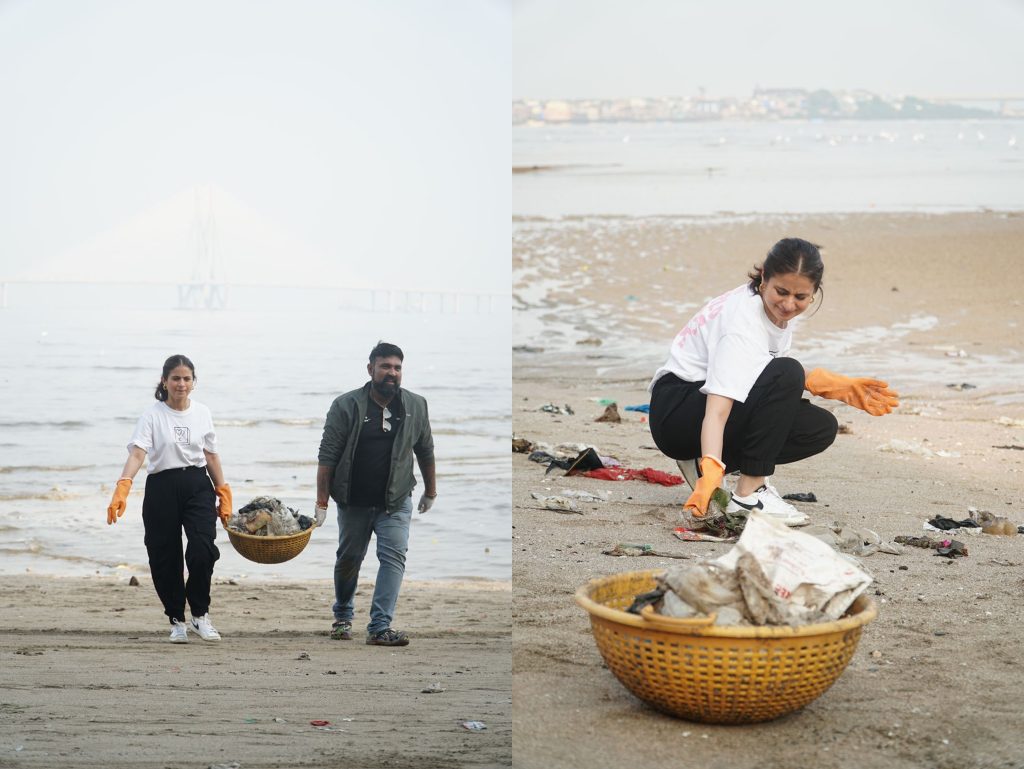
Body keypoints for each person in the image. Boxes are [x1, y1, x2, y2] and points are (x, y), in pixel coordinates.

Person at [648, 238, 899, 526]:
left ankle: (703, 463)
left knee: (818, 427)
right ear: (764, 277)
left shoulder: (774, 312)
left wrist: (828, 384)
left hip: (698, 409)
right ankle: (748, 495)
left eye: (800, 297)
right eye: (781, 292)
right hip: (677, 411)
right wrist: (712, 470)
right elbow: (718, 409)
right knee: (788, 372)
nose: (789, 304)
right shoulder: (742, 323)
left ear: (814, 293)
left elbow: (760, 375)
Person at [316, 341, 436, 647]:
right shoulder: (346, 405)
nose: (391, 373)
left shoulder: (416, 405)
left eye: (397, 368)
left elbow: (425, 449)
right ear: (371, 369)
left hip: (395, 501)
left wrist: (430, 491)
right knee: (348, 560)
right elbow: (327, 456)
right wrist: (322, 502)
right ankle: (343, 615)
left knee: (394, 557)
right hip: (353, 500)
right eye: (385, 367)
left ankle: (380, 627)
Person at [106, 354, 233, 643]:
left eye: (186, 378)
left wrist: (223, 491)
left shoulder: (202, 412)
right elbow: (138, 453)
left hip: (197, 484)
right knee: (164, 555)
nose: (181, 383)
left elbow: (211, 455)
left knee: (202, 549)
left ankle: (200, 615)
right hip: (161, 487)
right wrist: (123, 485)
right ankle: (177, 619)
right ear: (165, 381)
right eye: (175, 378)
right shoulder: (152, 415)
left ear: (193, 382)